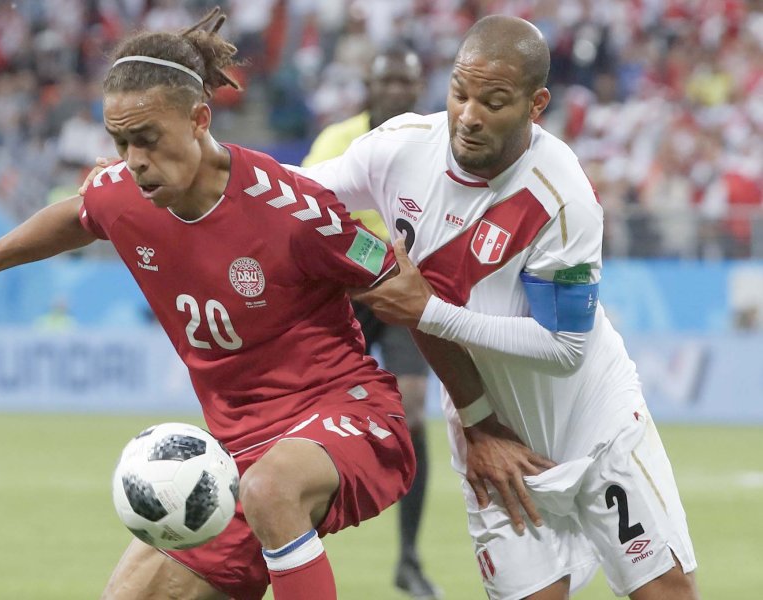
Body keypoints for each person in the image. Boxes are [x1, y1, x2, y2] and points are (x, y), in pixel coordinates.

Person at [0, 9, 550, 600]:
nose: (133, 161)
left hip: (349, 419)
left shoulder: (294, 209)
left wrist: (481, 421)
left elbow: (407, 295)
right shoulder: (124, 192)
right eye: (120, 143)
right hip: (232, 458)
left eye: (147, 138)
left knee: (272, 491)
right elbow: (77, 214)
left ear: (200, 120)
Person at [297, 14, 699, 600]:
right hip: (488, 438)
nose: (468, 115)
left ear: (536, 104)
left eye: (494, 101)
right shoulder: (399, 151)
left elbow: (564, 348)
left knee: (668, 593)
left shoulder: (561, 196)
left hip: (596, 428)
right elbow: (290, 195)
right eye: (460, 93)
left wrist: (426, 310)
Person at [302, 44, 440, 599]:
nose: (398, 93)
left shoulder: (435, 143)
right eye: (389, 83)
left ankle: (408, 557)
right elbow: (302, 206)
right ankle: (296, 534)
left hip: (404, 288)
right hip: (347, 292)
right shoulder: (340, 141)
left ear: (417, 87)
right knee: (314, 410)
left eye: (407, 83)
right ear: (371, 86)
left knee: (413, 405)